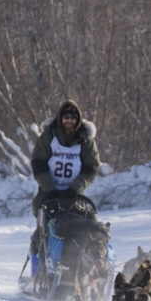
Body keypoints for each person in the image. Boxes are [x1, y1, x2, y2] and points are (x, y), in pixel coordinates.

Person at [30, 100, 100, 261]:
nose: (69, 121)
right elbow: (38, 164)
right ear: (60, 118)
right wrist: (50, 187)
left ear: (78, 120)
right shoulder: (49, 136)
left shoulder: (86, 140)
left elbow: (91, 168)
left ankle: (79, 263)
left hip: (75, 196)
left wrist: (75, 187)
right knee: (42, 233)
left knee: (82, 230)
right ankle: (39, 267)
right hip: (48, 194)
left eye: (73, 118)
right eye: (66, 117)